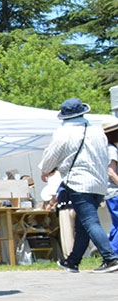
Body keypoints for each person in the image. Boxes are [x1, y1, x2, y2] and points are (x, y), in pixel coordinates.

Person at [40, 100, 118, 273]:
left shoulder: (63, 132)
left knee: (90, 221)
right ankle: (73, 261)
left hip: (79, 182)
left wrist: (45, 170)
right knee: (83, 225)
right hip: (99, 184)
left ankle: (110, 258)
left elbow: (52, 154)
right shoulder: (98, 131)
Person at [105, 119, 118, 254]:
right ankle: (113, 254)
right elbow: (111, 172)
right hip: (115, 191)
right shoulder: (112, 150)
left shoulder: (106, 148)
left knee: (116, 225)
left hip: (109, 192)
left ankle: (109, 252)